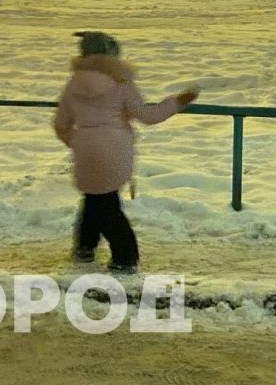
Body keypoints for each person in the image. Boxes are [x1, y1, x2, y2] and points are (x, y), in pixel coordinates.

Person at [53, 32, 198, 274]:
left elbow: (60, 123)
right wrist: (178, 102)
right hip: (114, 147)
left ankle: (85, 248)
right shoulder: (121, 82)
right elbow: (147, 116)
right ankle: (125, 256)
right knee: (107, 203)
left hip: (85, 146)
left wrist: (77, 141)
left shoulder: (73, 83)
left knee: (95, 199)